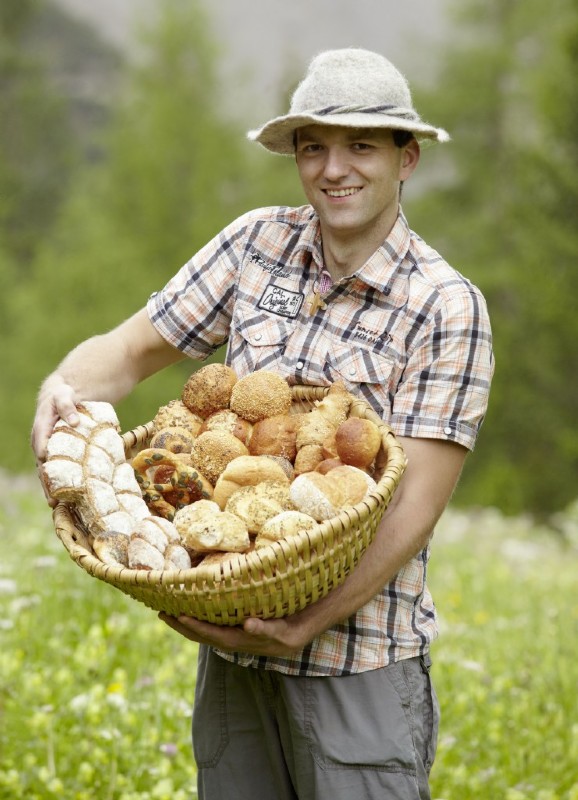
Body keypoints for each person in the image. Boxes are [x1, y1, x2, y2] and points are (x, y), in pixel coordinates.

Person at [32, 48, 493, 800]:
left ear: (406, 159)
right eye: (314, 146)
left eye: (361, 146)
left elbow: (416, 501)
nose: (333, 168)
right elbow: (128, 349)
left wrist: (311, 618)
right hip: (235, 660)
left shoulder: (446, 306)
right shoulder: (257, 245)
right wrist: (63, 384)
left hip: (360, 666)